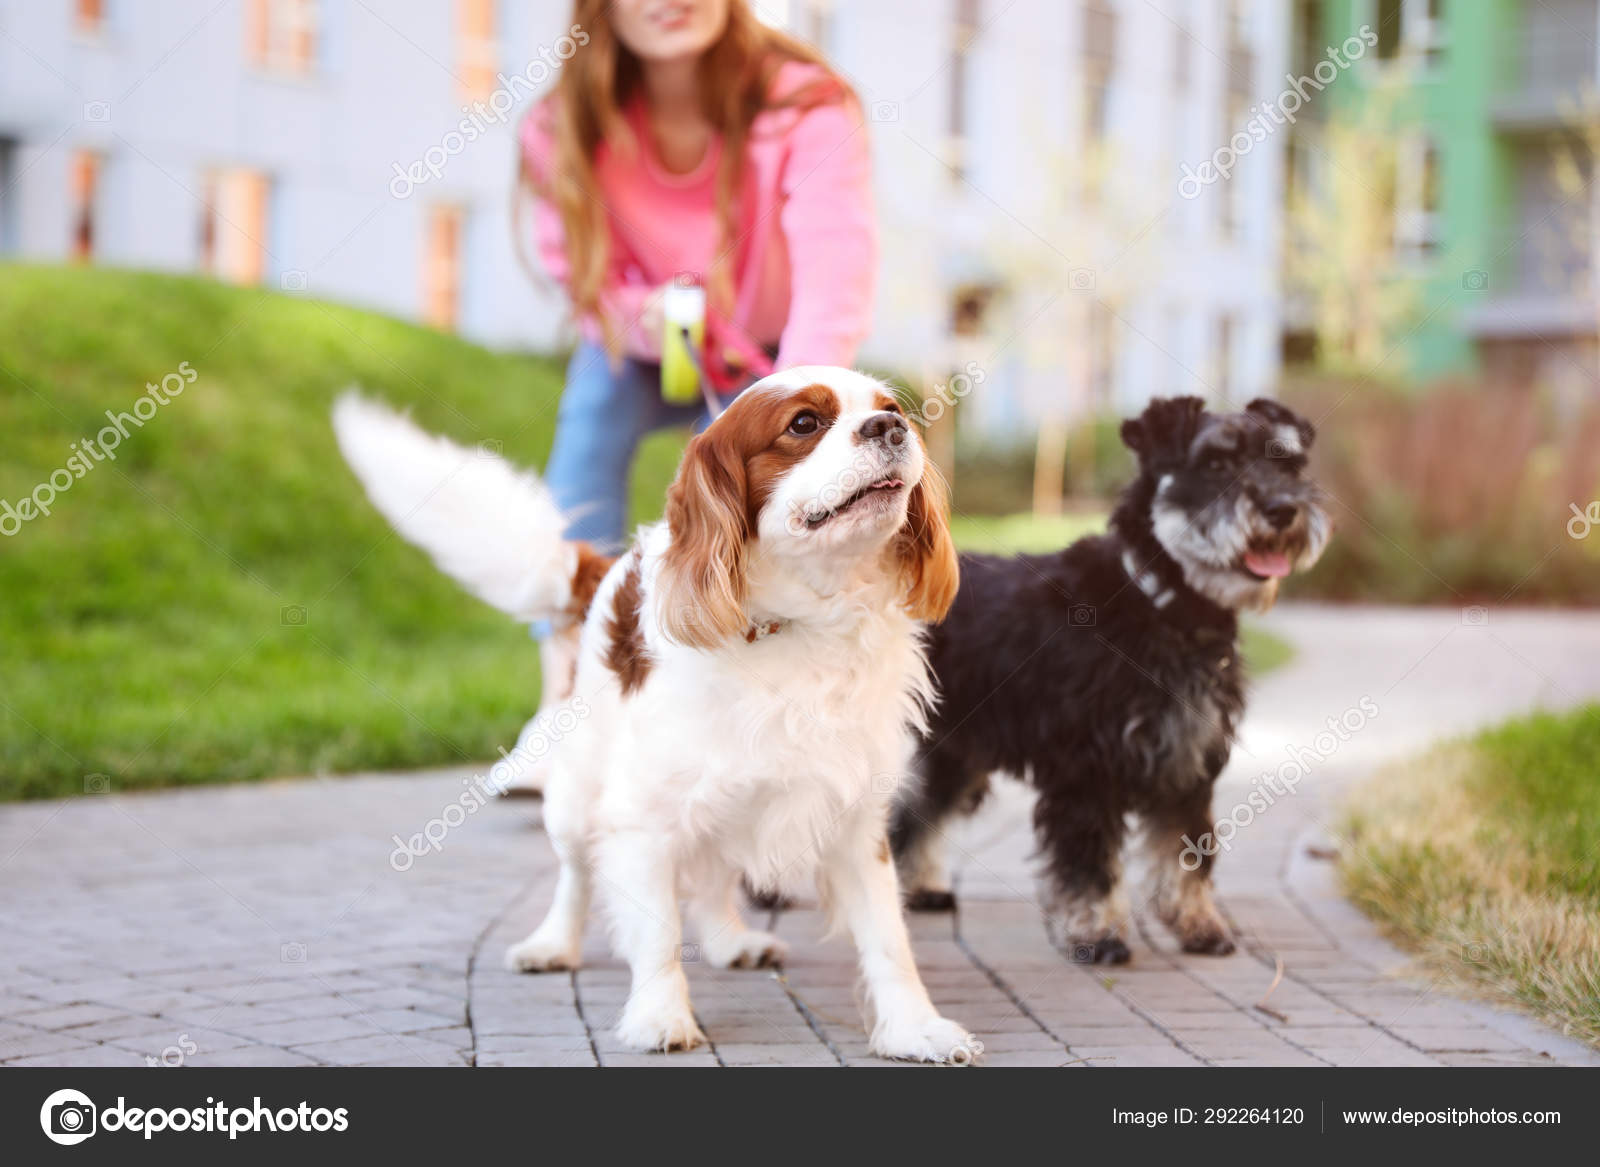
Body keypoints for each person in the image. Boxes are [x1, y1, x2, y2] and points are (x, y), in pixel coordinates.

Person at [505, 0, 877, 789]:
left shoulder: (806, 103)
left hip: (778, 354)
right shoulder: (559, 123)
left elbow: (835, 268)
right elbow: (582, 279)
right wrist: (640, 320)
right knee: (588, 427)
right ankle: (566, 696)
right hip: (642, 349)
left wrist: (798, 407)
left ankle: (786, 699)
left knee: (792, 491)